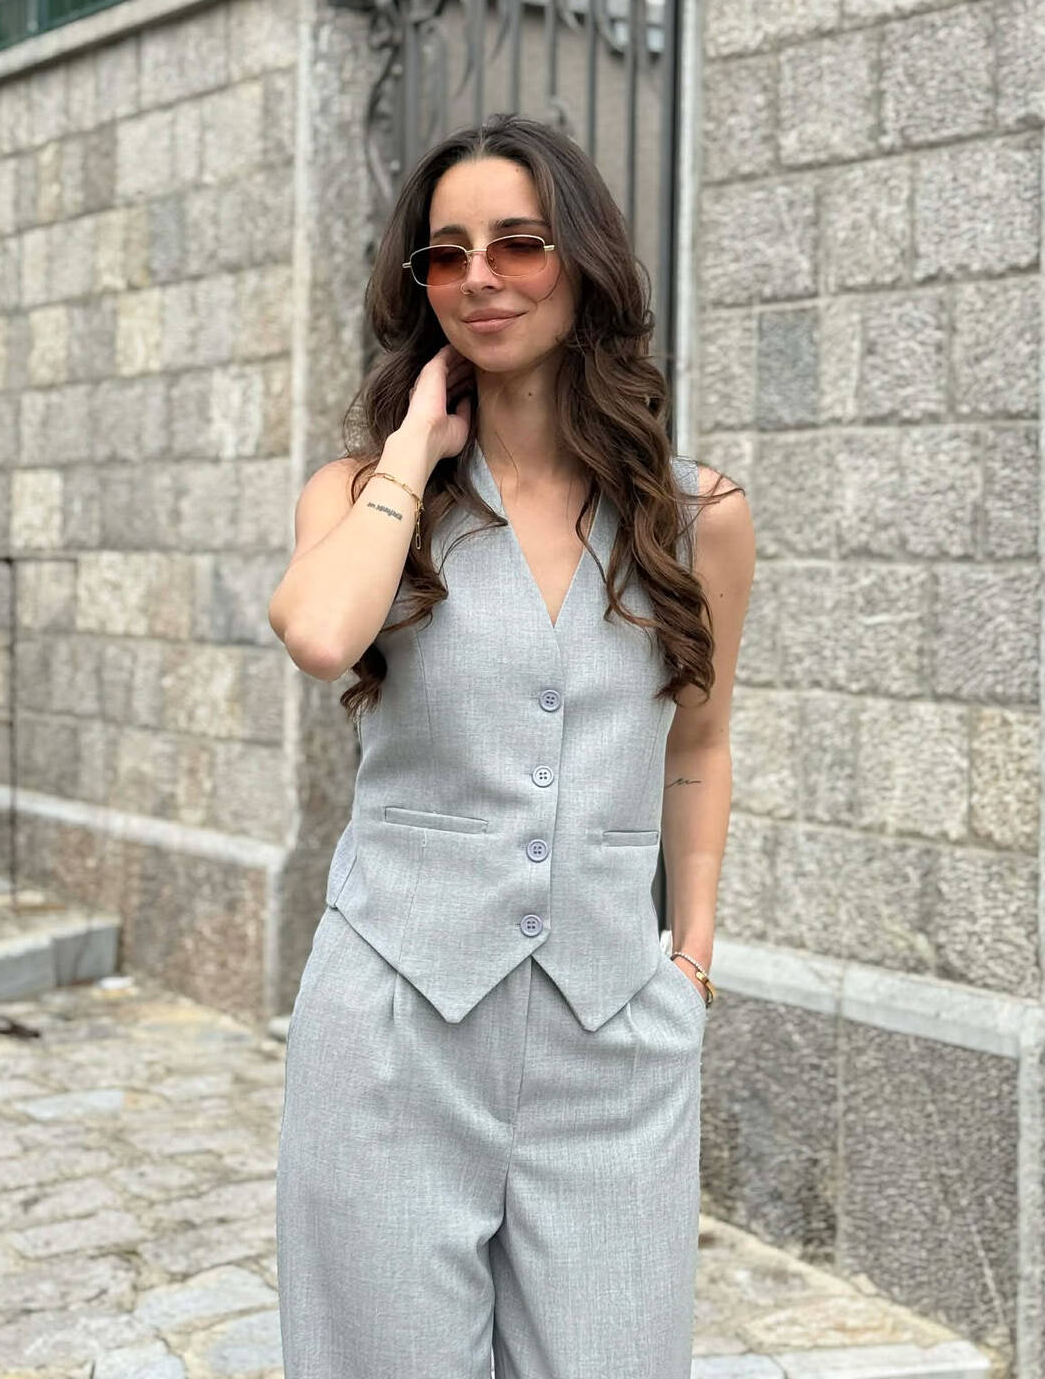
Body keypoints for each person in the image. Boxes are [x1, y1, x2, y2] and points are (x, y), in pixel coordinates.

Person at [267, 113, 755, 1378]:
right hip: (390, 1035)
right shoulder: (362, 496)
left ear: (582, 261)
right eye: (448, 254)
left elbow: (699, 746)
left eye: (518, 244)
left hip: (614, 1034)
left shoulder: (696, 515)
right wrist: (410, 452)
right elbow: (320, 633)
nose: (480, 276)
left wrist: (691, 963)